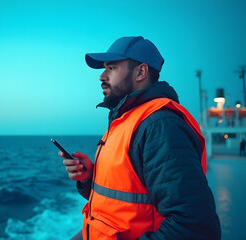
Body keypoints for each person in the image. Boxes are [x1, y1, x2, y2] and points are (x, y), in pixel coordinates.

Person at [59, 36, 221, 240]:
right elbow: (126, 199)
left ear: (141, 72)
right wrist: (89, 178)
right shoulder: (126, 119)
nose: (101, 76)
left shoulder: (160, 125)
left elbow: (194, 226)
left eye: (112, 68)